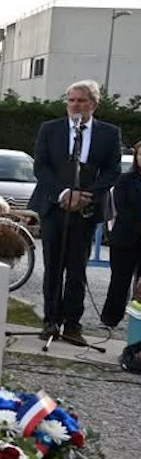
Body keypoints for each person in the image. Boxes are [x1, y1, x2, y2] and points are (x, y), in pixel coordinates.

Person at [29, 79, 124, 345]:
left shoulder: (109, 133)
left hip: (85, 209)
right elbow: (41, 167)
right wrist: (63, 194)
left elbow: (113, 171)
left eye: (81, 100)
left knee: (76, 268)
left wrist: (86, 196)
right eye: (71, 100)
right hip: (54, 206)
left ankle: (72, 323)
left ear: (93, 104)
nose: (75, 105)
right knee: (53, 266)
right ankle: (50, 320)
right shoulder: (50, 129)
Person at [98, 138, 141, 329]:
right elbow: (122, 208)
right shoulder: (124, 180)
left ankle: (137, 321)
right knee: (119, 281)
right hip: (125, 238)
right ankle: (110, 319)